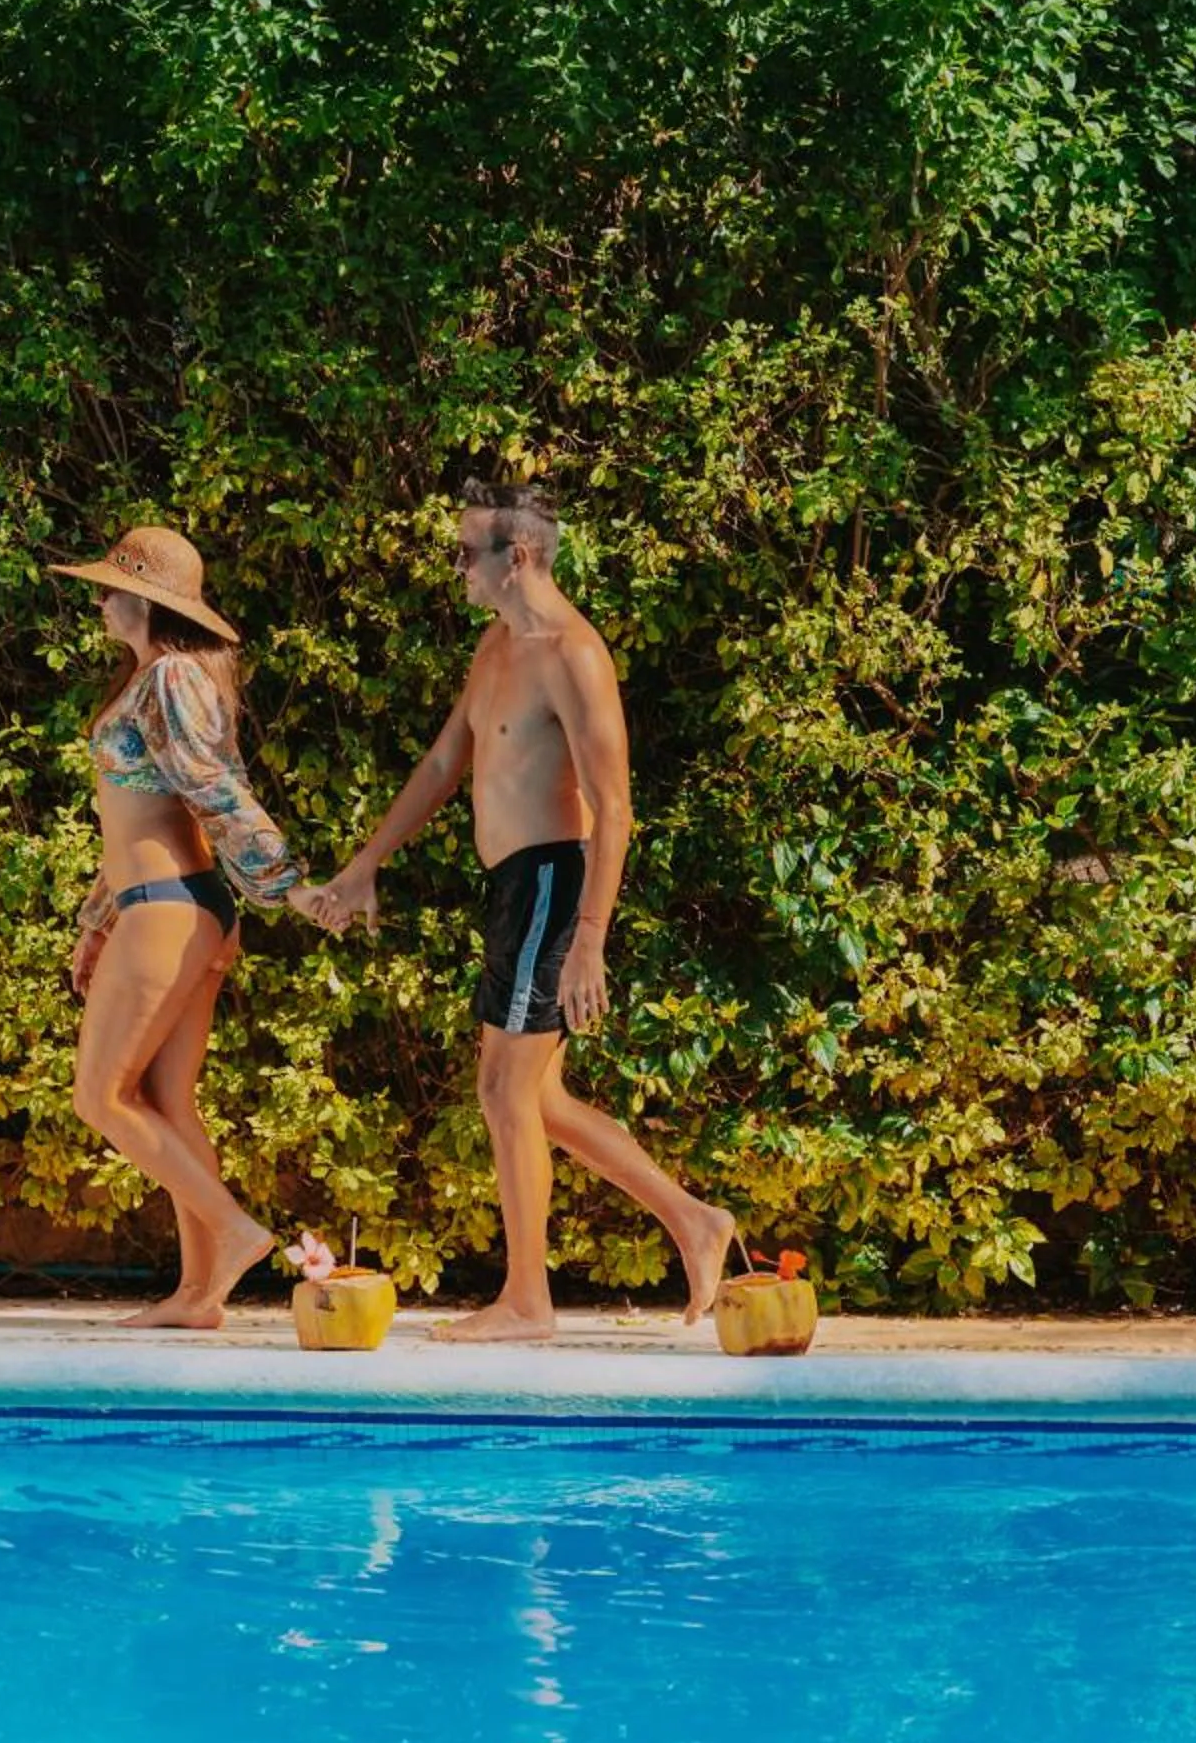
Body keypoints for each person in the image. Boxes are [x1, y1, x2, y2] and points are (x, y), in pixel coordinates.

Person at [308, 479, 736, 1342]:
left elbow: (614, 808)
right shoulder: (496, 649)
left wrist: (590, 942)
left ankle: (527, 1302)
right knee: (533, 1098)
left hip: (553, 882)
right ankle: (695, 1222)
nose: (457, 569)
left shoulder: (573, 654)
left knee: (504, 1091)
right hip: (513, 888)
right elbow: (440, 766)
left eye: (468, 553)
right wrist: (363, 867)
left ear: (522, 555)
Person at [54, 522, 319, 1329]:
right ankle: (198, 1296)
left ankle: (236, 1232)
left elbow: (214, 792)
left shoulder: (169, 678)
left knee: (100, 1098)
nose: (98, 601)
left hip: (167, 909)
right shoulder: (157, 680)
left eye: (109, 589)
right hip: (174, 905)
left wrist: (289, 885)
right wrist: (98, 921)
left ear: (142, 600)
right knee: (168, 1102)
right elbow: (141, 816)